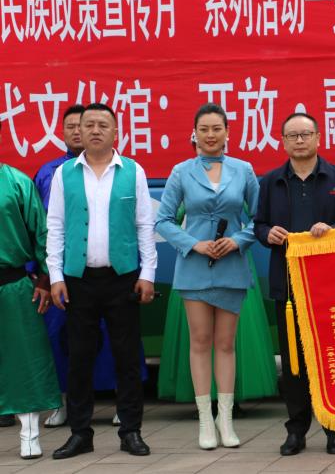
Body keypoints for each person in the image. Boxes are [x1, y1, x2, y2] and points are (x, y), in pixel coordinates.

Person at [47, 102, 157, 459]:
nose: (95, 130)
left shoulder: (133, 171)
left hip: (122, 278)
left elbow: (144, 224)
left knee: (127, 357)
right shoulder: (65, 174)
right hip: (78, 280)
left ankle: (131, 431)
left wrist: (147, 273)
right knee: (79, 358)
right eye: (89, 124)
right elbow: (55, 226)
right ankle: (80, 433)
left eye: (103, 125)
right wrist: (55, 276)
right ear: (79, 131)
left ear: (116, 132)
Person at [155, 103, 263, 450]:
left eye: (217, 128)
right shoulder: (181, 171)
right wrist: (194, 244)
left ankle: (225, 419)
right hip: (195, 267)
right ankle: (205, 420)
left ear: (228, 132)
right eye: (204, 129)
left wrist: (238, 240)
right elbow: (163, 220)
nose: (211, 135)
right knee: (200, 341)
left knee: (225, 344)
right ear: (195, 133)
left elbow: (259, 218)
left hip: (232, 265)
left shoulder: (243, 170)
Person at [254, 112, 335, 456]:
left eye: (305, 134)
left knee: (332, 358)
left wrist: (334, 229)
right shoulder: (271, 181)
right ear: (283, 141)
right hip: (287, 284)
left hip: (330, 285)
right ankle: (296, 430)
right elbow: (258, 224)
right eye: (292, 136)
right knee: (293, 361)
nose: (299, 141)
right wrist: (267, 233)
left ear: (318, 138)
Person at [0, 121, 61, 459]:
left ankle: (29, 433)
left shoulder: (17, 182)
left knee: (25, 361)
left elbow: (42, 232)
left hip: (12, 284)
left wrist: (46, 278)